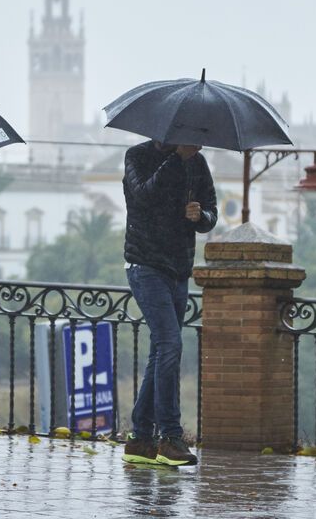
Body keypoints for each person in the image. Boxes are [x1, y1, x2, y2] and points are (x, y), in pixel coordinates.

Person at [121, 140, 217, 466]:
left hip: (178, 269)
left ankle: (139, 437)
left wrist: (200, 215)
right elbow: (143, 195)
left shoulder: (198, 163)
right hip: (145, 265)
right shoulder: (138, 156)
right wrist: (176, 159)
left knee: (161, 350)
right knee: (170, 344)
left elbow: (211, 212)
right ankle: (170, 437)